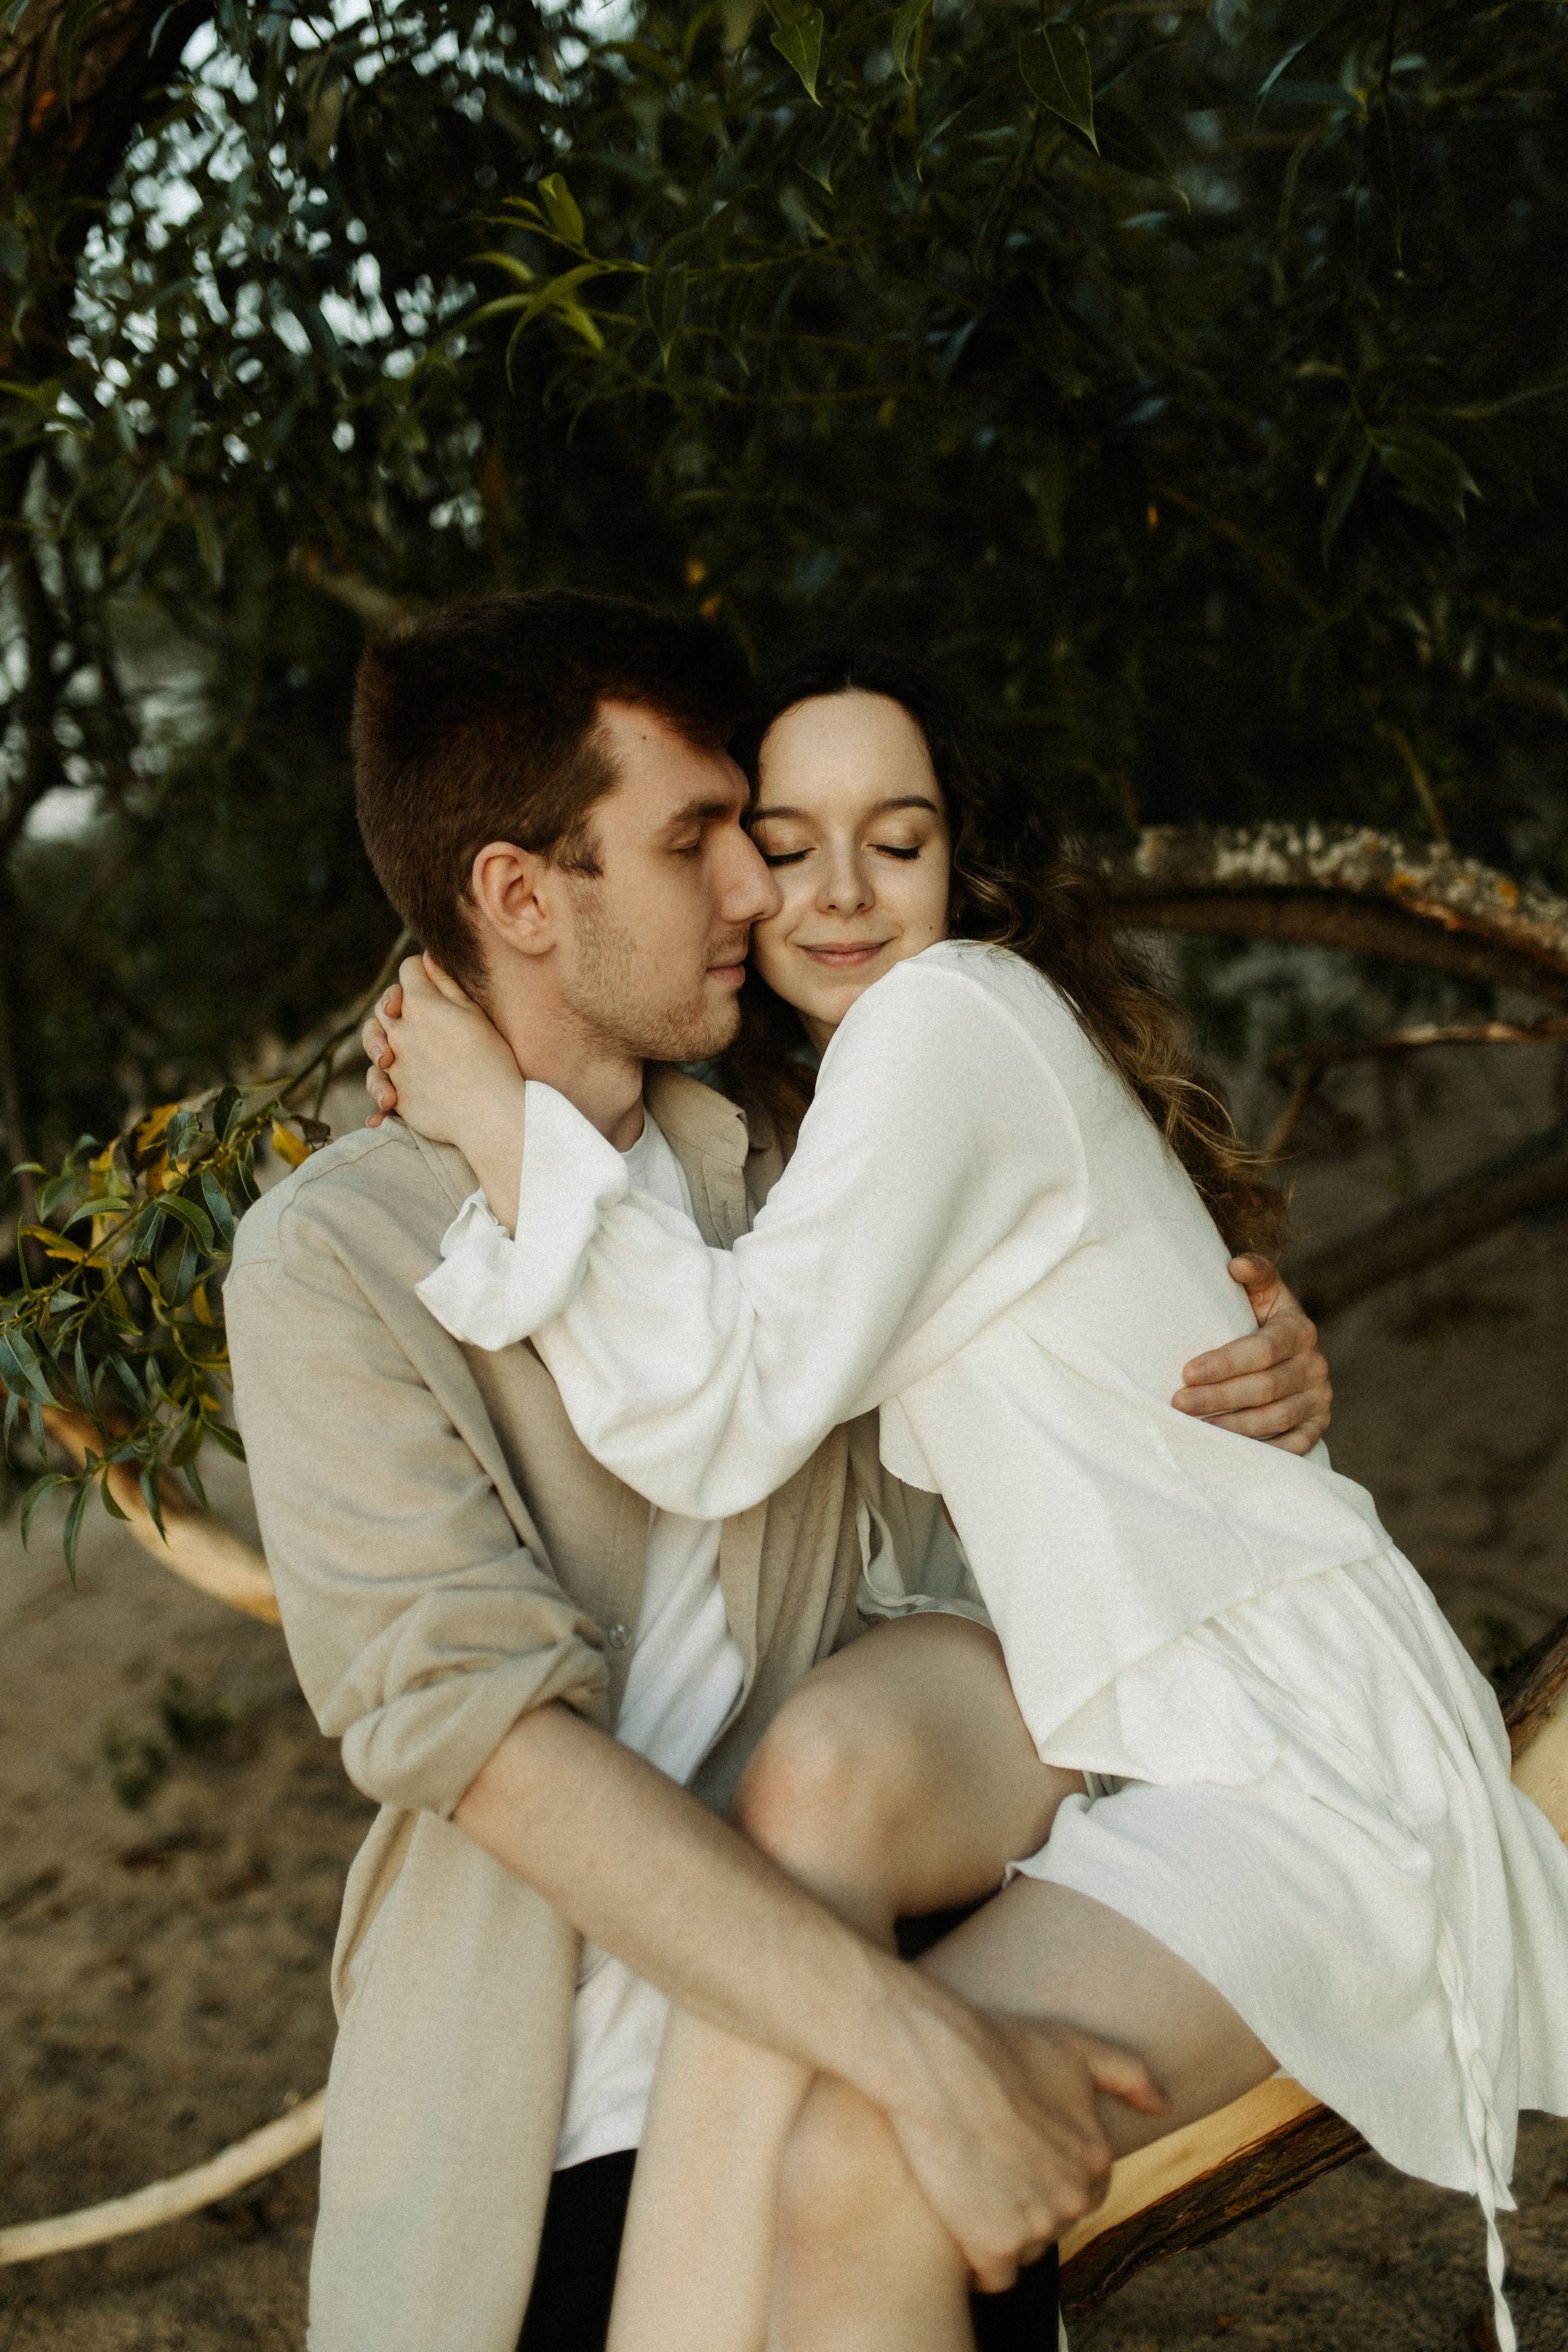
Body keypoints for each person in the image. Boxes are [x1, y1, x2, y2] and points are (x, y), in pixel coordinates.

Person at [366, 646, 1568, 2352]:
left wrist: (495, 1120)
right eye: (788, 844)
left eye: (900, 840)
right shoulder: (832, 1100)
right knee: (818, 1801)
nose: (843, 893)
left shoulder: (954, 1016)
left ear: (962, 867)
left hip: (1285, 1751)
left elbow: (714, 1416)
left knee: (866, 2160)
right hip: (1134, 1715)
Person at [224, 589, 1327, 2352]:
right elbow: (490, 1747)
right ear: (521, 895)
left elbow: (1072, 1410)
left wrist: (1249, 1365)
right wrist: (934, 2060)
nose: (759, 888)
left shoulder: (804, 1157)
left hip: (885, 2030)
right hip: (556, 2122)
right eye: (697, 842)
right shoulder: (332, 1265)